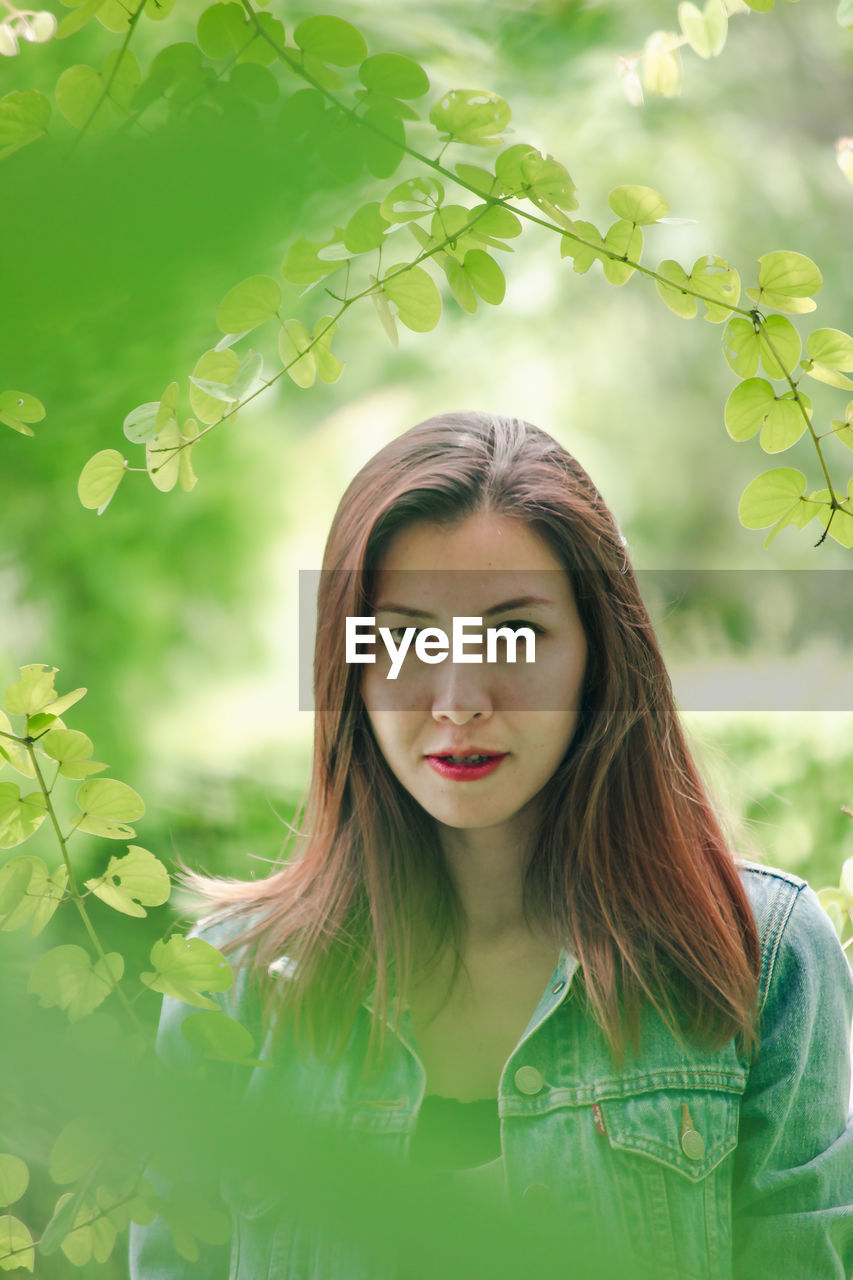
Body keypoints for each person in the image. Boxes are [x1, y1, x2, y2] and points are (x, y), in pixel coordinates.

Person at [130, 411, 853, 1280]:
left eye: (516, 632)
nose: (459, 696)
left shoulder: (760, 961)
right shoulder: (232, 991)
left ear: (599, 652)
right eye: (402, 637)